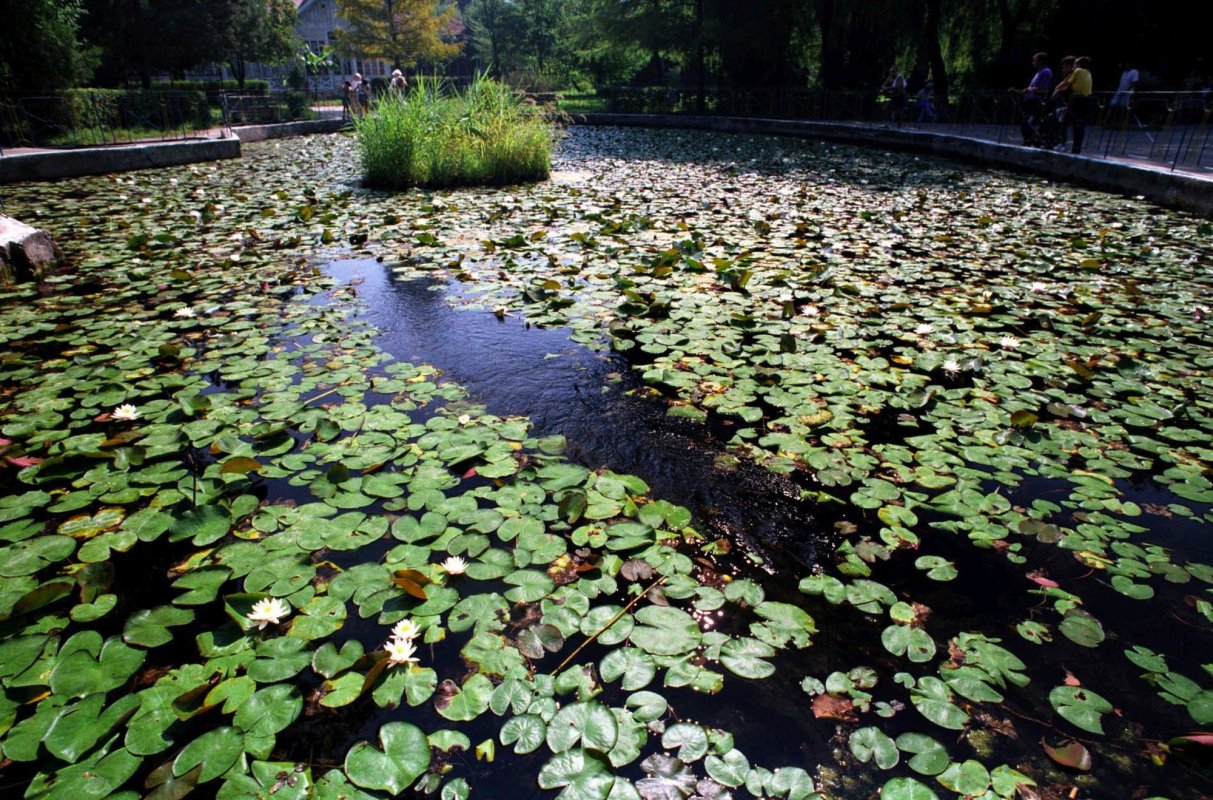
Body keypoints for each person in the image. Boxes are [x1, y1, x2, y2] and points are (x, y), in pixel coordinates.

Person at [1053, 56, 1096, 154]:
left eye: (1075, 64)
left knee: (1064, 121)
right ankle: (1076, 148)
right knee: (1079, 124)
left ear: (1079, 65)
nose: (1073, 67)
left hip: (1076, 99)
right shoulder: (1088, 73)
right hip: (1087, 100)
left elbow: (1067, 85)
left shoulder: (1077, 71)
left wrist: (1057, 91)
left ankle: (1061, 143)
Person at [1011, 52, 1053, 145]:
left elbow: (1044, 89)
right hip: (1029, 101)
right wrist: (1019, 92)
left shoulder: (1046, 72)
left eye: (1035, 60)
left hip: (1036, 102)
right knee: (1024, 124)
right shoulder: (1038, 73)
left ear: (1041, 61)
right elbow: (1031, 89)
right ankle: (1031, 142)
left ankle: (1037, 142)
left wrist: (1028, 89)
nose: (1032, 62)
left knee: (1027, 124)